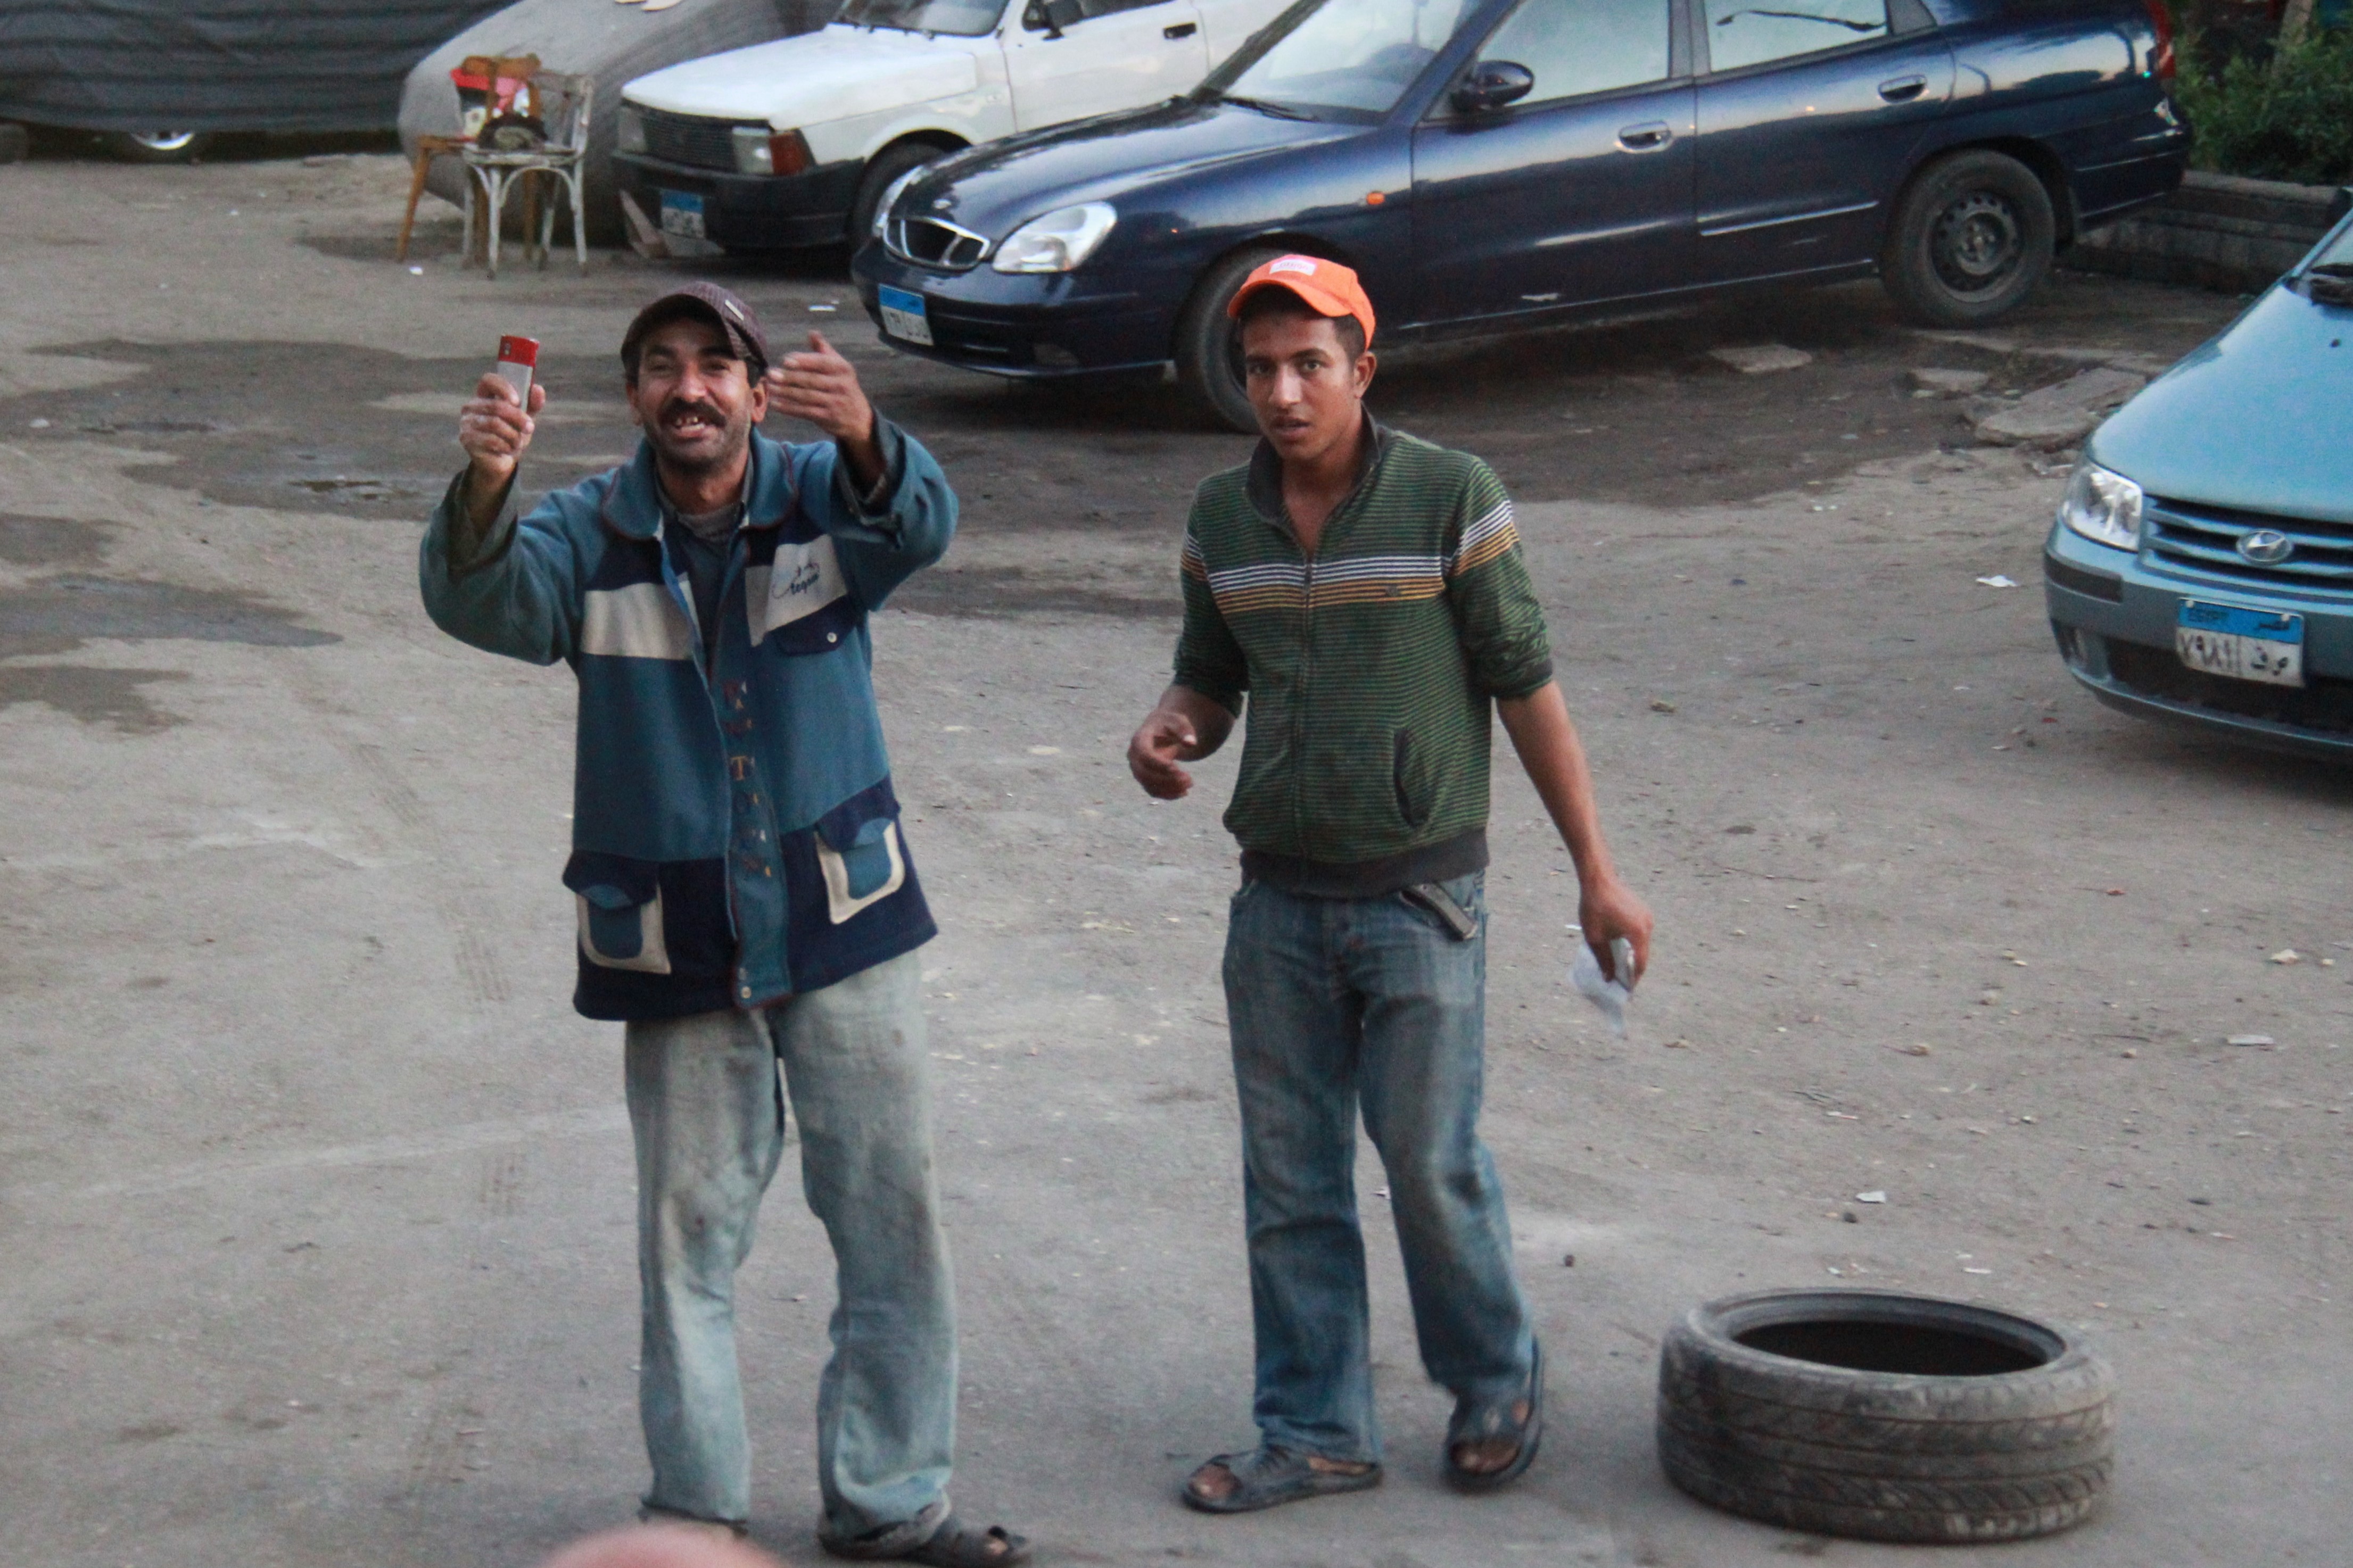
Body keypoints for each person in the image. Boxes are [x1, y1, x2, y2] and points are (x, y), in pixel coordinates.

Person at [419, 283, 1026, 1568]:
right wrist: (485, 487)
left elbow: (919, 526)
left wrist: (865, 433)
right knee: (685, 1236)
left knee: (889, 1220)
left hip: (842, 913)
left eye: (714, 364)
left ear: (756, 390)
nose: (688, 387)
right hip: (677, 934)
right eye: (660, 365)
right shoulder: (586, 528)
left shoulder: (821, 495)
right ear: (634, 394)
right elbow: (485, 605)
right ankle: (696, 1512)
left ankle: (889, 1500)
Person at [1125, 256, 1654, 1512]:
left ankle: (1495, 1380)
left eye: (1310, 364)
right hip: (1277, 904)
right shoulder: (1222, 516)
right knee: (1290, 1179)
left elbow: (1526, 685)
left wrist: (1598, 873)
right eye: (1261, 367)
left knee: (1428, 1161)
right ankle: (1317, 1429)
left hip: (1423, 902)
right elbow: (1212, 674)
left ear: (1362, 369)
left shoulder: (1449, 496)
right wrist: (1171, 729)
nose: (1283, 392)